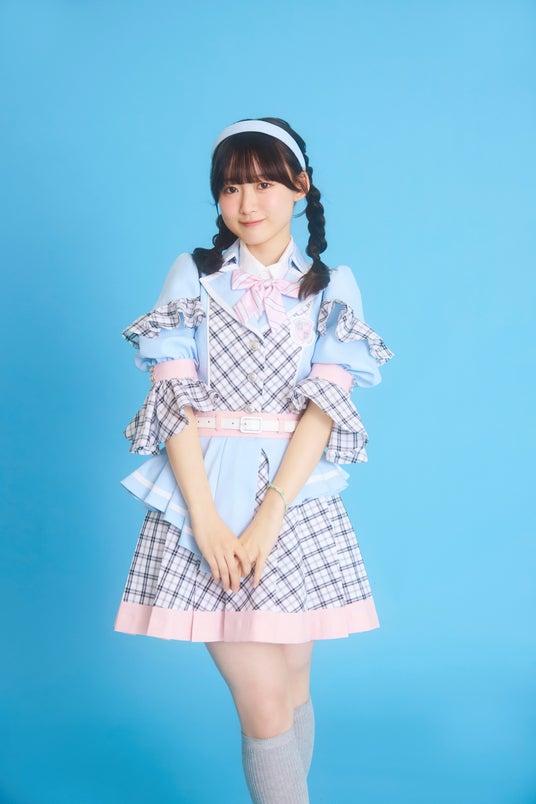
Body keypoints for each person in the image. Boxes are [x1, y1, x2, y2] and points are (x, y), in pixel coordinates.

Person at [113, 117, 394, 803]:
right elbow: (173, 399)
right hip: (203, 497)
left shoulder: (334, 286)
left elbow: (323, 410)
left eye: (265, 184)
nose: (247, 203)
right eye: (232, 187)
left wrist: (271, 516)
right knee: (263, 703)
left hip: (294, 503)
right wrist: (205, 520)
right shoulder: (194, 275)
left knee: (293, 687)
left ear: (300, 187)